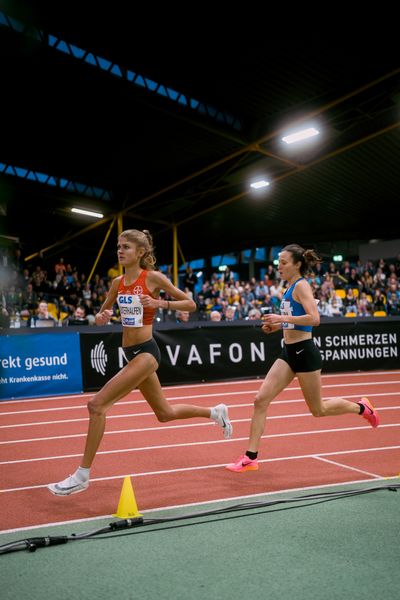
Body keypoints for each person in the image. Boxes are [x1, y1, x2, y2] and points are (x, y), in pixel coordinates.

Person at [48, 229, 232, 495]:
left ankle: (82, 476)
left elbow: (190, 304)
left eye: (126, 247)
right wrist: (102, 317)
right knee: (164, 413)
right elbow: (102, 313)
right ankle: (215, 412)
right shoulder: (117, 283)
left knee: (96, 405)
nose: (121, 251)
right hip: (131, 353)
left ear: (141, 252)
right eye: (119, 247)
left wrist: (159, 303)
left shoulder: (153, 278)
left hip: (147, 353)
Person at [226, 243, 379, 473]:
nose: (279, 267)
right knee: (260, 400)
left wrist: (280, 317)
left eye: (284, 263)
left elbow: (315, 319)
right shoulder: (288, 287)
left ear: (297, 264)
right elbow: (295, 318)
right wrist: (278, 325)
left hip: (305, 353)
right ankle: (250, 457)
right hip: (288, 352)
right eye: (279, 263)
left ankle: (361, 408)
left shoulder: (301, 286)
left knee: (318, 410)